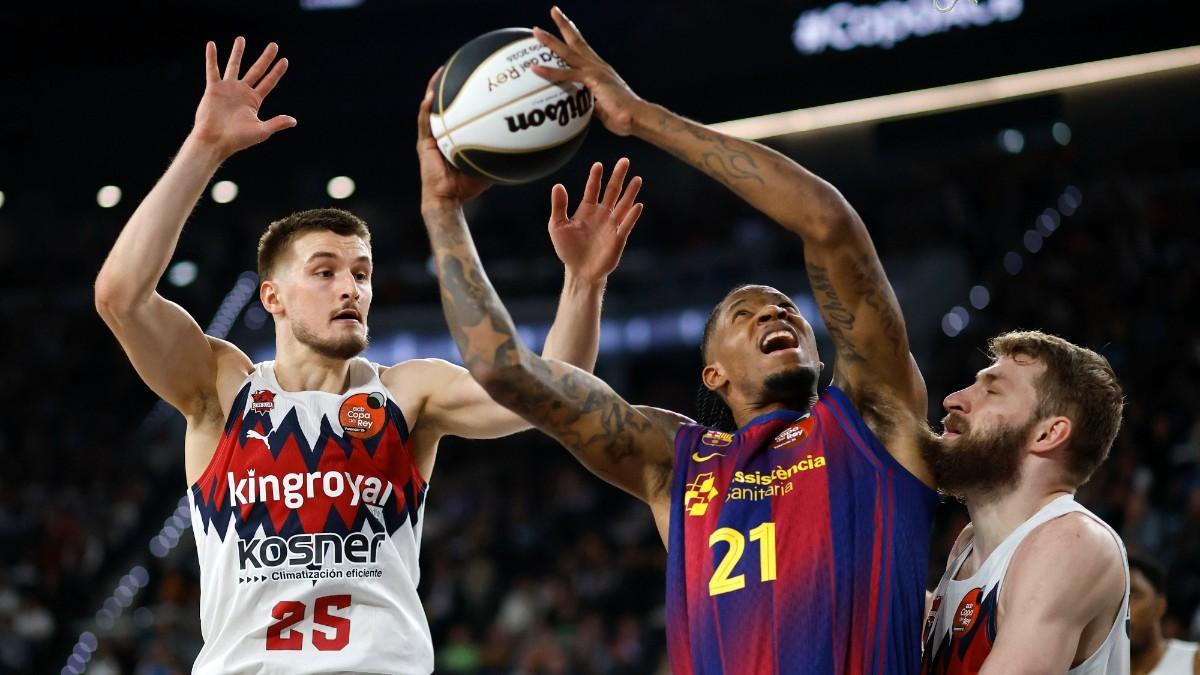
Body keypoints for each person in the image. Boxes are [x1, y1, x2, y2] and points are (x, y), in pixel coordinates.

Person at [416, 7, 941, 672]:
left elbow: (830, 225)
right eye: (744, 314)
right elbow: (502, 370)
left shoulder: (871, 418)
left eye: (785, 308)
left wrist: (639, 117)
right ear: (714, 373)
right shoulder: (678, 460)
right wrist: (443, 211)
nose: (773, 314)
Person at [94, 38, 633, 674]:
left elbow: (554, 397)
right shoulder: (223, 387)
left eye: (361, 273)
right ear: (272, 297)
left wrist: (583, 283)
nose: (350, 288)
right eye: (323, 272)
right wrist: (205, 147)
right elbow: (121, 296)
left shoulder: (410, 393)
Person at [920, 331, 1129, 673]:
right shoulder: (969, 545)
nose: (953, 400)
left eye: (992, 390)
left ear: (1048, 434)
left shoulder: (1072, 543)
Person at [1129, 554, 1200, 675]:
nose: (1123, 609)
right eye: (1115, 599)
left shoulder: (1194, 660)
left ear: (1159, 606)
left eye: (1133, 597)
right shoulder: (1096, 668)